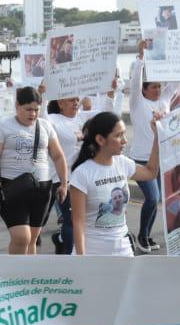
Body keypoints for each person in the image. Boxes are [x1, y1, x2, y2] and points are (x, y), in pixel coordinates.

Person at [66, 111, 162, 256]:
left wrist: (158, 138)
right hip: (92, 252)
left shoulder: (122, 163)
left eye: (124, 134)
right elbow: (78, 223)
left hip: (123, 251)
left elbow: (151, 172)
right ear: (100, 139)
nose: (124, 140)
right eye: (118, 135)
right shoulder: (82, 173)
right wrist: (82, 259)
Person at [0, 86, 68, 255]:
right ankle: (14, 276)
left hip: (42, 188)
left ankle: (27, 276)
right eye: (28, 109)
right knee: (20, 237)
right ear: (17, 105)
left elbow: (58, 156)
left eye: (36, 110)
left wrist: (64, 183)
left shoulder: (45, 126)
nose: (32, 114)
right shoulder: (2, 127)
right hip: (13, 188)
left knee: (32, 238)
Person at [126, 45, 171, 250]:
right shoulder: (137, 104)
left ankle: (146, 235)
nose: (158, 90)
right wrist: (141, 60)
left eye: (159, 86)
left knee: (158, 200)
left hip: (160, 159)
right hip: (141, 160)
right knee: (152, 197)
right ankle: (142, 237)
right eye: (153, 87)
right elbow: (134, 83)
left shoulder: (164, 102)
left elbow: (178, 81)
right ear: (145, 89)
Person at [45, 96, 87, 253]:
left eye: (77, 99)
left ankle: (63, 243)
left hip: (81, 178)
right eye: (71, 100)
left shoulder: (82, 118)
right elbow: (41, 118)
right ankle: (68, 256)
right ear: (60, 103)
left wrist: (111, 95)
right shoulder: (52, 119)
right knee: (70, 221)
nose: (76, 103)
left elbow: (109, 114)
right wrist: (43, 95)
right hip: (59, 177)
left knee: (76, 220)